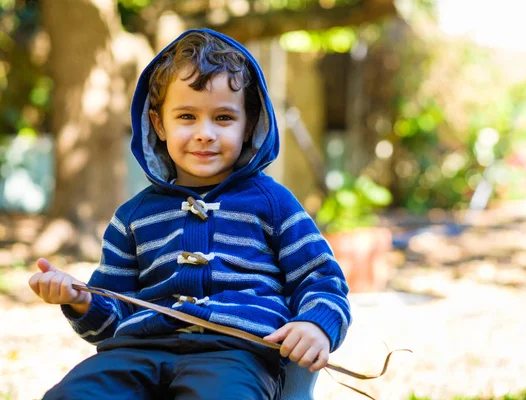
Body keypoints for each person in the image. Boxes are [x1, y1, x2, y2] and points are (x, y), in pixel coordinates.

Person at [28, 29, 351, 400]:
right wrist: (80, 300)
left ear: (249, 124)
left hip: (236, 355)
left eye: (224, 118)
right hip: (136, 353)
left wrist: (315, 324)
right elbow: (110, 320)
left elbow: (322, 278)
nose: (205, 134)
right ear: (159, 124)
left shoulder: (274, 204)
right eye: (186, 116)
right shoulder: (133, 217)